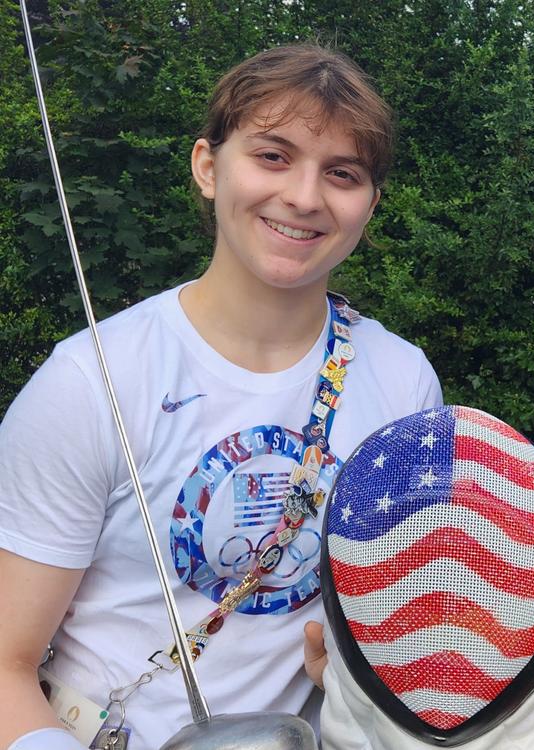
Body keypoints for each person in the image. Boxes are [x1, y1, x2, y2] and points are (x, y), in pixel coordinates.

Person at [0, 44, 442, 750]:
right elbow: (6, 662)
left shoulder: (402, 380)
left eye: (342, 173)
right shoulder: (91, 380)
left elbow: (406, 620)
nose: (303, 196)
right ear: (209, 166)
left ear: (370, 203)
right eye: (272, 156)